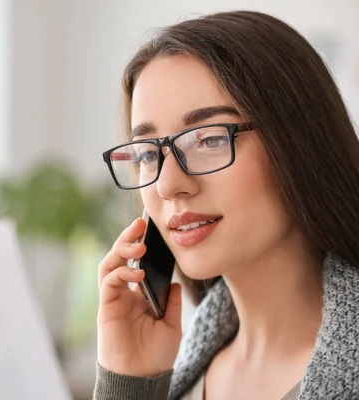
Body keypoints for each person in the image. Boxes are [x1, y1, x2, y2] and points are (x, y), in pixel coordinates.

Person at [94, 10, 359, 400]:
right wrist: (129, 383)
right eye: (149, 153)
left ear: (299, 143)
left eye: (209, 139)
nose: (168, 185)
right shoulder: (171, 375)